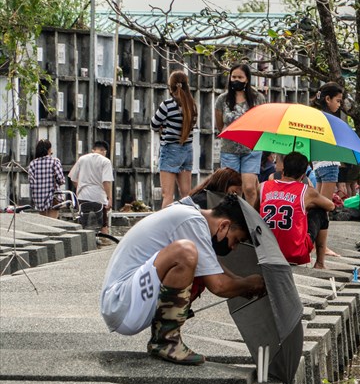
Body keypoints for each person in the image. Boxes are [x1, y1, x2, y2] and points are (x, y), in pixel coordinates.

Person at [100, 171, 264, 365]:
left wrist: (241, 282)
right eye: (235, 240)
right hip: (122, 305)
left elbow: (214, 268)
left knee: (199, 260)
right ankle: (166, 341)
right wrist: (249, 284)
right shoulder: (191, 221)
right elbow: (219, 285)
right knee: (186, 252)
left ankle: (163, 337)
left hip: (127, 301)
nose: (233, 246)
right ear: (224, 226)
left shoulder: (191, 214)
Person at [259, 151, 334, 268]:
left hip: (265, 252)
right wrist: (309, 204)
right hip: (294, 253)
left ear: (283, 168)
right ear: (303, 175)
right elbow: (331, 206)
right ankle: (320, 263)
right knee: (320, 211)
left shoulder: (263, 186)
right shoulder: (307, 191)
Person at [215, 63, 265, 206]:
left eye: (240, 77)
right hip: (229, 149)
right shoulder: (222, 99)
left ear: (247, 79)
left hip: (251, 149)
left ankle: (252, 219)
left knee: (249, 187)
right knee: (232, 189)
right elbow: (220, 124)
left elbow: (262, 121)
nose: (236, 80)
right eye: (234, 77)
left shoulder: (257, 98)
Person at [309, 82, 346, 262]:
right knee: (324, 208)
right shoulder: (328, 119)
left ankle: (318, 244)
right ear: (327, 99)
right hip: (329, 163)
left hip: (318, 164)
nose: (339, 105)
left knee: (319, 206)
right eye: (337, 101)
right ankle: (321, 246)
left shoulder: (315, 116)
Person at [150, 70, 197, 208]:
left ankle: (165, 227)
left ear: (170, 87)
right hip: (187, 150)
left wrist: (164, 127)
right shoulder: (192, 105)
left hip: (170, 150)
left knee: (168, 195)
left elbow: (154, 124)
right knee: (186, 194)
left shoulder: (167, 105)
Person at [69, 140, 113, 235]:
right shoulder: (106, 161)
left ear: (93, 149)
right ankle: (104, 239)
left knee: (82, 223)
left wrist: (79, 188)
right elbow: (106, 181)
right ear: (104, 151)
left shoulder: (82, 159)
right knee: (103, 224)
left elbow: (73, 178)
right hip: (99, 197)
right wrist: (110, 198)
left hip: (83, 196)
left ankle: (83, 241)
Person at [27, 139, 64, 218]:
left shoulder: (33, 163)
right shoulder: (55, 161)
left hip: (39, 198)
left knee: (44, 222)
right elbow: (61, 180)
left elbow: (31, 183)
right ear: (49, 149)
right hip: (53, 197)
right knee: (53, 223)